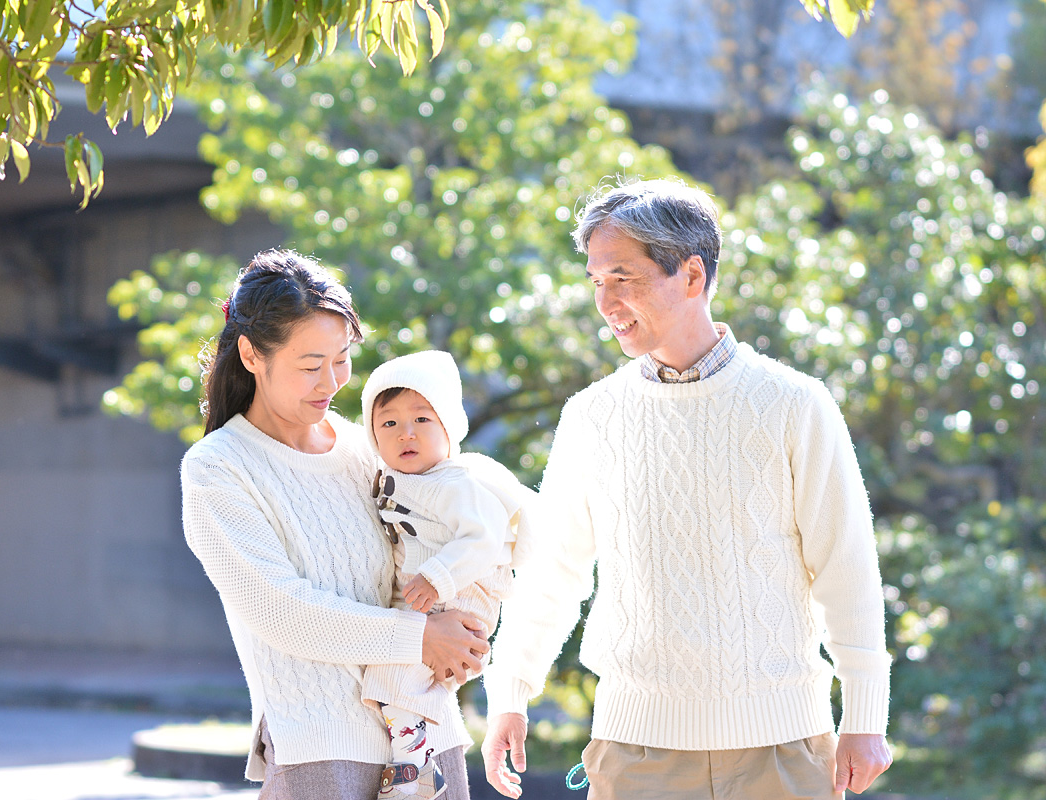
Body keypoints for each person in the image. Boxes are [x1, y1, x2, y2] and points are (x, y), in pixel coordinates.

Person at [480, 178, 893, 800]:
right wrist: (510, 690)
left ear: (692, 276)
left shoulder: (793, 404)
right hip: (636, 753)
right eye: (597, 281)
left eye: (624, 277)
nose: (607, 301)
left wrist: (865, 716)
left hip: (783, 748)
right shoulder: (593, 415)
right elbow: (552, 572)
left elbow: (846, 567)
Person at [180, 249, 489, 800]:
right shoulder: (218, 468)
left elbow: (442, 536)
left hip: (425, 739)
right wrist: (422, 637)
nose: (331, 382)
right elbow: (282, 612)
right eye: (309, 365)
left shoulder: (368, 448)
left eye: (342, 358)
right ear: (251, 355)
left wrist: (464, 628)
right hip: (322, 751)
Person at [358, 350, 534, 799]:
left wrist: (437, 575)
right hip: (430, 603)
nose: (406, 433)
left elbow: (485, 538)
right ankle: (422, 771)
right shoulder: (391, 478)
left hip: (459, 598)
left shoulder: (454, 482)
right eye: (389, 423)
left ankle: (414, 771)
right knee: (402, 682)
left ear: (448, 429)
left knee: (399, 676)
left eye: (422, 419)